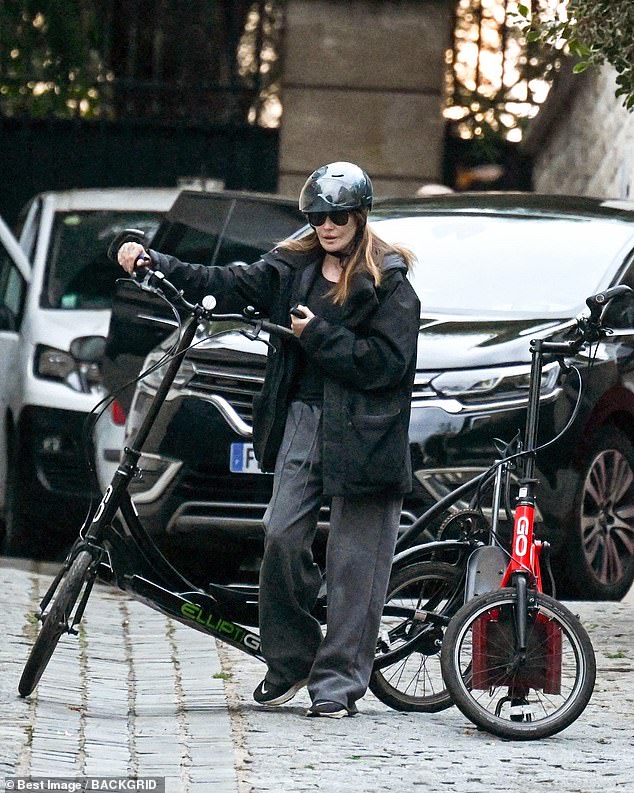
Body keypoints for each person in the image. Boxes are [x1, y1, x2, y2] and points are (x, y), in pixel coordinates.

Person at [117, 162, 420, 718]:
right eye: (316, 216)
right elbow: (226, 283)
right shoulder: (291, 266)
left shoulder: (390, 282)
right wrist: (152, 261)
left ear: (360, 215)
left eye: (336, 216)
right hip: (303, 418)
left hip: (366, 431)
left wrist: (319, 336)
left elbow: (386, 366)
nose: (325, 226)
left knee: (357, 564)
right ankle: (290, 657)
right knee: (280, 533)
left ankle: (337, 685)